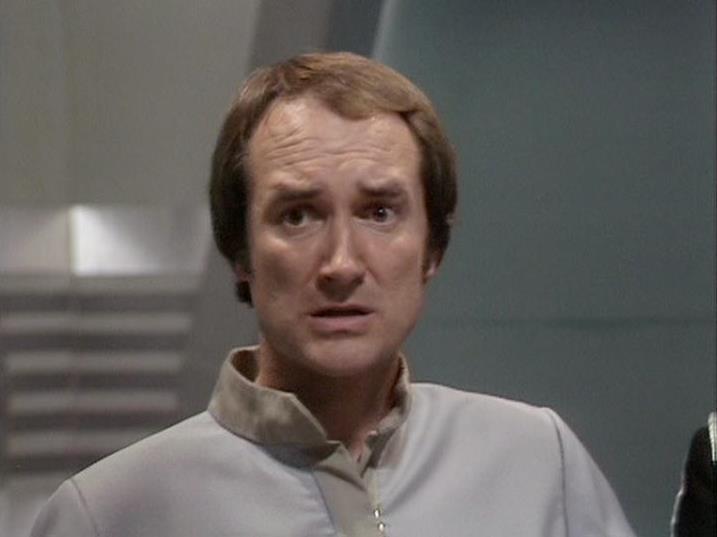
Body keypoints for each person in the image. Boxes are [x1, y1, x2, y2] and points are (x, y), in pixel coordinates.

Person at [31, 52, 636, 537]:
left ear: (433, 248)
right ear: (239, 252)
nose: (342, 264)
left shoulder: (539, 463)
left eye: (379, 212)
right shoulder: (111, 514)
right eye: (297, 215)